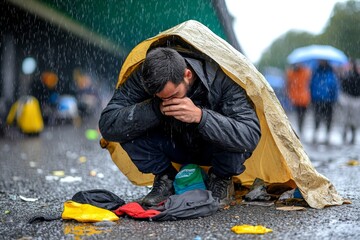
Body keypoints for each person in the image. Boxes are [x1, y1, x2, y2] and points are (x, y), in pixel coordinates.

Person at [99, 47, 261, 207]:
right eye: (160, 98)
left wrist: (201, 117)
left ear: (187, 75)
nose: (167, 102)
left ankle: (221, 178)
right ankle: (166, 178)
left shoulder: (221, 78)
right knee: (126, 128)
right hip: (172, 144)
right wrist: (155, 108)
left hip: (214, 150)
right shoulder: (144, 77)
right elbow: (108, 124)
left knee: (238, 138)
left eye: (173, 96)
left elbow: (250, 133)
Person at [309, 60, 339, 144]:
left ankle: (327, 135)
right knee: (317, 117)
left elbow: (335, 86)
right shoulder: (315, 72)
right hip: (317, 99)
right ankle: (316, 134)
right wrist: (312, 97)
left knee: (329, 118)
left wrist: (335, 98)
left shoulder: (331, 73)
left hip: (329, 100)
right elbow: (312, 85)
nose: (321, 62)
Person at [286, 63, 311, 136]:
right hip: (300, 98)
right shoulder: (305, 72)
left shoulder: (292, 73)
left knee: (300, 115)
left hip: (300, 98)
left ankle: (300, 128)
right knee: (300, 115)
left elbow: (288, 84)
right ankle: (300, 128)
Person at [339, 59, 360, 144]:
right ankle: (345, 133)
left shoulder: (355, 76)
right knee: (346, 117)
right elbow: (343, 85)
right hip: (348, 98)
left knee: (353, 118)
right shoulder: (347, 75)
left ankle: (352, 134)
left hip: (355, 99)